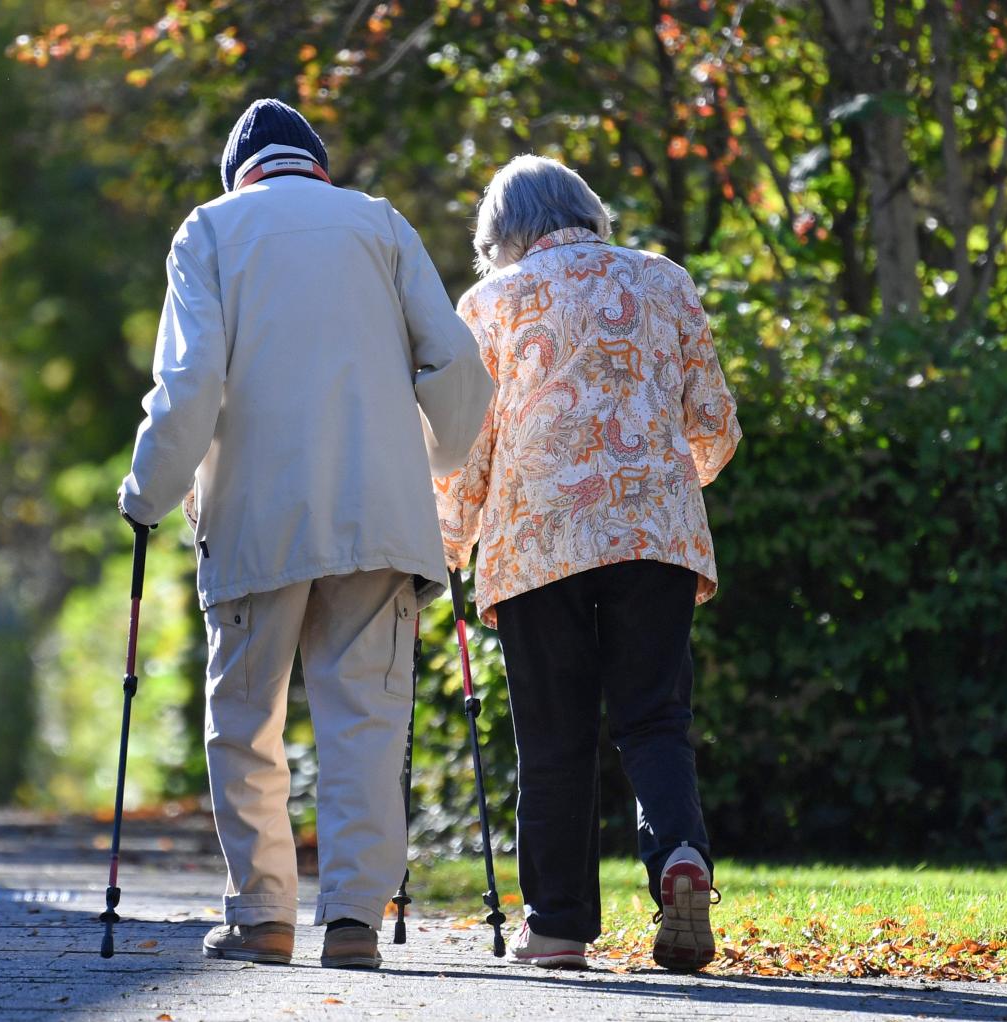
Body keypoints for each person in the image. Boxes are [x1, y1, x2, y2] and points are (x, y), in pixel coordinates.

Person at [118, 99, 492, 970]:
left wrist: (147, 494)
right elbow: (457, 362)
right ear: (315, 165)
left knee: (246, 720)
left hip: (258, 517)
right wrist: (435, 460)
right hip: (379, 514)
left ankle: (264, 917)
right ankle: (355, 920)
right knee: (366, 716)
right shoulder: (381, 224)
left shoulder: (209, 232)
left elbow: (189, 382)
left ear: (239, 176)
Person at [434, 154, 741, 972]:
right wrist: (667, 483)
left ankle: (559, 929)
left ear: (501, 236)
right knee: (653, 719)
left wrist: (449, 540)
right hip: (656, 536)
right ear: (588, 213)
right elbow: (713, 420)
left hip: (538, 540)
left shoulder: (491, 301)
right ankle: (679, 856)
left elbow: (469, 446)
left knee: (554, 735)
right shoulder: (663, 281)